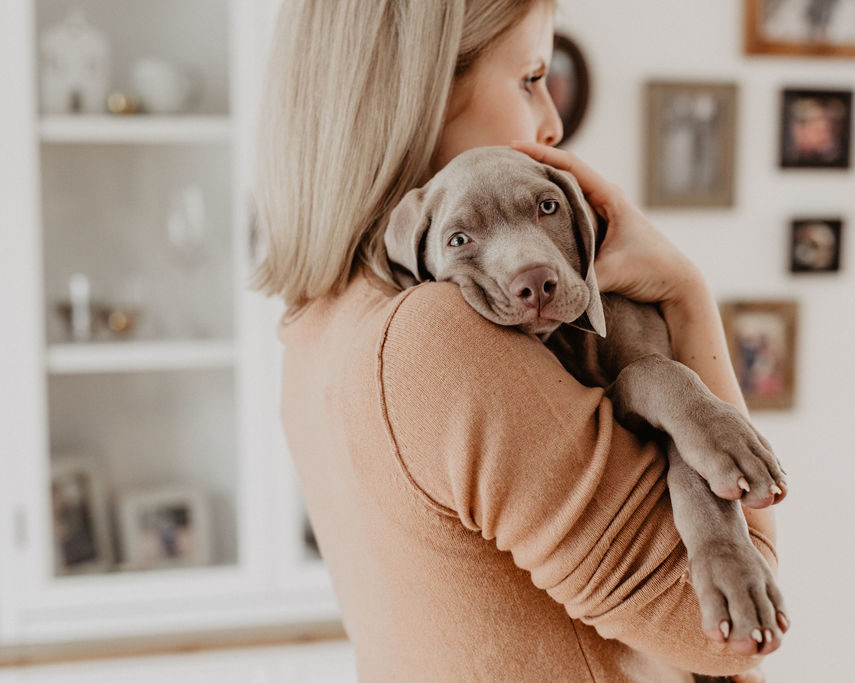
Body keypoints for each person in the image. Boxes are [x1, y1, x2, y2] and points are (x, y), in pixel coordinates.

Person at [253, 1, 785, 681]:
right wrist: (686, 294)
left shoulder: (316, 323)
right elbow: (726, 628)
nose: (553, 121)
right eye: (532, 77)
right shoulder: (440, 334)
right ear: (426, 91)